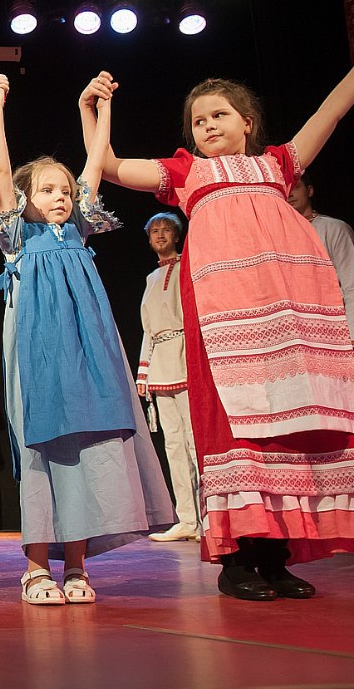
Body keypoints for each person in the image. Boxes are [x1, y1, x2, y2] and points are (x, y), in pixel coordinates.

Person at [80, 24, 354, 600]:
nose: (208, 126)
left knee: (292, 428)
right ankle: (237, 563)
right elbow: (107, 166)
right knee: (236, 429)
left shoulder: (279, 164)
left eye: (219, 115)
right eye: (198, 120)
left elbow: (329, 115)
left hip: (289, 314)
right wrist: (95, 109)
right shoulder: (187, 172)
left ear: (248, 122)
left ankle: (276, 558)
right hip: (225, 321)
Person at [0, 76, 173, 606]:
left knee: (88, 447)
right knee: (44, 450)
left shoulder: (80, 232)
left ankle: (78, 566)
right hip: (39, 356)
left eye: (64, 190)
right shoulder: (19, 236)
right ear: (25, 199)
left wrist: (98, 109)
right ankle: (36, 568)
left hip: (90, 357)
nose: (60, 197)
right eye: (47, 190)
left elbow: (96, 162)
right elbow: (0, 169)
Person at [136, 212, 200, 543]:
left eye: (166, 230)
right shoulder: (151, 278)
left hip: (185, 357)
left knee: (194, 441)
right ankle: (187, 519)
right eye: (154, 231)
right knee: (173, 444)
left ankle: (210, 518)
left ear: (176, 235)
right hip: (161, 362)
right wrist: (144, 372)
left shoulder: (188, 267)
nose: (160, 235)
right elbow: (148, 329)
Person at [287, 174, 354, 375]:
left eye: (296, 187)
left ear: (310, 190)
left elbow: (352, 286)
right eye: (286, 188)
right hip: (293, 336)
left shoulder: (334, 229)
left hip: (330, 331)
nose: (290, 194)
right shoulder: (274, 236)